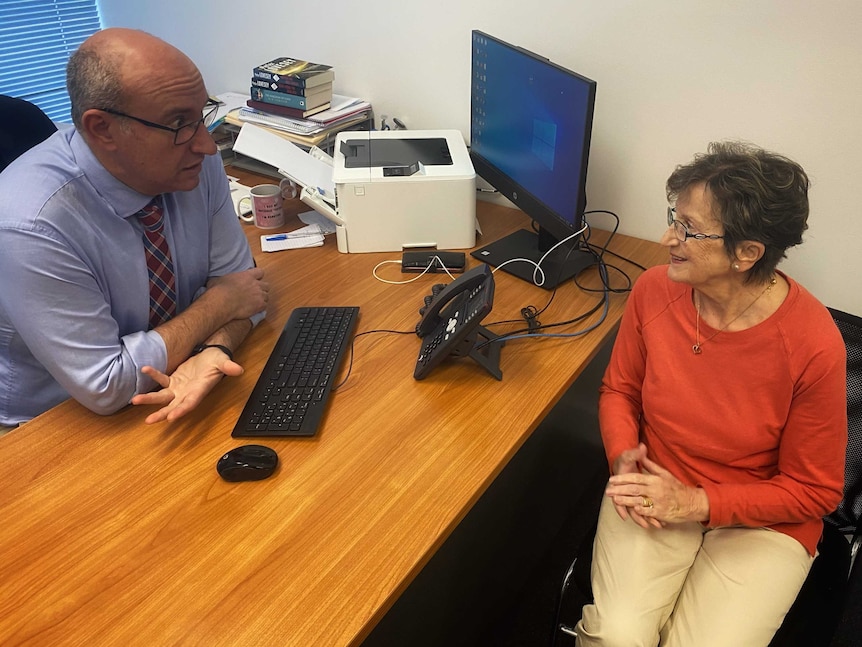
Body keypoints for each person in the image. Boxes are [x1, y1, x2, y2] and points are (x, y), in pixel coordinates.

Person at [576, 142, 846, 646]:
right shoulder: (655, 291)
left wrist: (698, 503)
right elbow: (619, 390)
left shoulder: (813, 344)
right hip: (659, 483)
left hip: (763, 520)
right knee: (616, 636)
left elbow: (816, 491)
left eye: (688, 230)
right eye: (673, 219)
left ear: (747, 254)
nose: (667, 238)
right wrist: (622, 456)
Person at [0, 28, 268, 433]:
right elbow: (106, 385)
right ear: (103, 129)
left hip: (175, 381)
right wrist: (219, 306)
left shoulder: (192, 162)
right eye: (179, 123)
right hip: (53, 424)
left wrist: (215, 347)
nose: (207, 146)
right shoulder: (30, 221)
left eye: (202, 115)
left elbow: (247, 290)